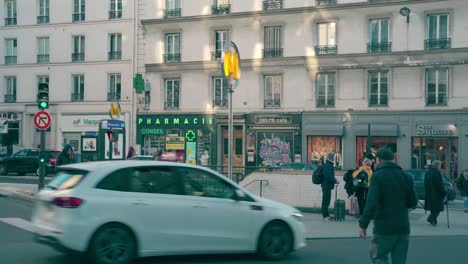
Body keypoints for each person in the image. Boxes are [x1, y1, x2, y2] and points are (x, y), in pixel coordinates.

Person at [359, 147, 417, 264]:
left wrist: (363, 224)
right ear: (393, 159)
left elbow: (371, 204)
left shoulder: (377, 176)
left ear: (378, 160)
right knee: (400, 261)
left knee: (378, 257)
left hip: (383, 227)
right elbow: (413, 202)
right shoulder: (406, 176)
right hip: (403, 227)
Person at [424, 160, 446, 226]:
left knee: (433, 208)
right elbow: (439, 184)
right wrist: (444, 192)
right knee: (438, 208)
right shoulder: (437, 173)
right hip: (436, 194)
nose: (440, 166)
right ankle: (430, 219)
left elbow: (425, 183)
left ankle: (434, 221)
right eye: (439, 165)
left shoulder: (428, 172)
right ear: (437, 166)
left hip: (429, 193)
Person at [321, 152, 339, 220]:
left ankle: (326, 214)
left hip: (326, 185)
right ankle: (325, 215)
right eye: (333, 157)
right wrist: (335, 180)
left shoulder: (328, 165)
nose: (334, 158)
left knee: (326, 200)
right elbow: (328, 176)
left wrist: (334, 180)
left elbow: (329, 176)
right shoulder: (328, 165)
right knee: (326, 200)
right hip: (326, 185)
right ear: (330, 158)